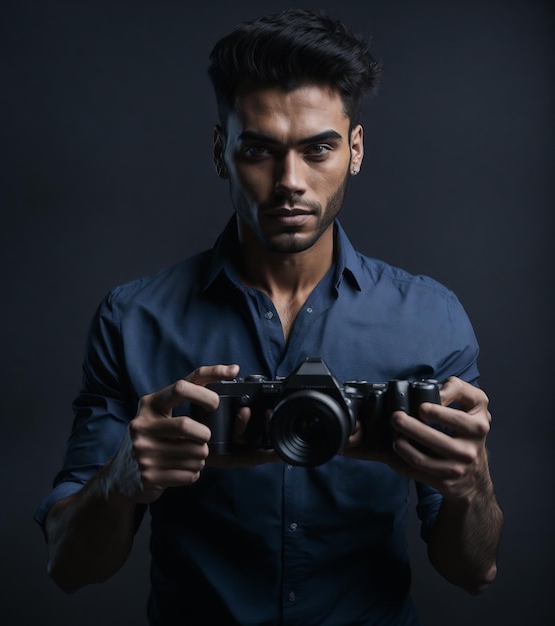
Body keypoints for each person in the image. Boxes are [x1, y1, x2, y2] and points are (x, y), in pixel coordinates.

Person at [36, 9, 503, 625]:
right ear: (220, 152)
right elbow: (70, 569)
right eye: (258, 149)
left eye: (318, 150)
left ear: (355, 150)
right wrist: (124, 475)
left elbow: (473, 572)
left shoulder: (430, 320)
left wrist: (470, 486)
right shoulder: (135, 320)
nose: (290, 182)